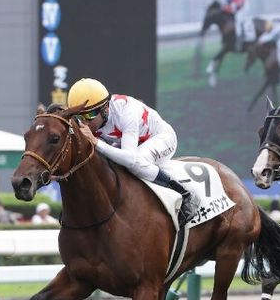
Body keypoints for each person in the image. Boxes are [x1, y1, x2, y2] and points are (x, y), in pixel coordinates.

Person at [67, 78, 198, 227]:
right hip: (126, 141)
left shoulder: (126, 112)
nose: (84, 122)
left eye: (89, 115)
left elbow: (130, 158)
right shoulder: (91, 119)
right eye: (79, 117)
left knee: (134, 163)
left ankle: (184, 193)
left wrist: (96, 142)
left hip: (161, 138)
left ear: (105, 109)